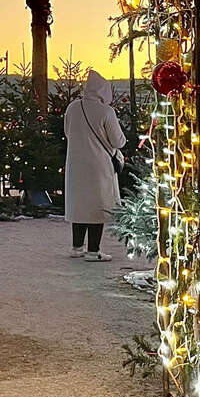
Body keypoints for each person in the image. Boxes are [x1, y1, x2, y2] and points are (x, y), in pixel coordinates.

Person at [64, 69, 126, 262]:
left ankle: (76, 247)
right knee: (97, 207)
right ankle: (93, 251)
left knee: (79, 205)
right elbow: (118, 141)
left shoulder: (72, 108)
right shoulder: (107, 111)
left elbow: (67, 132)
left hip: (75, 164)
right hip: (99, 166)